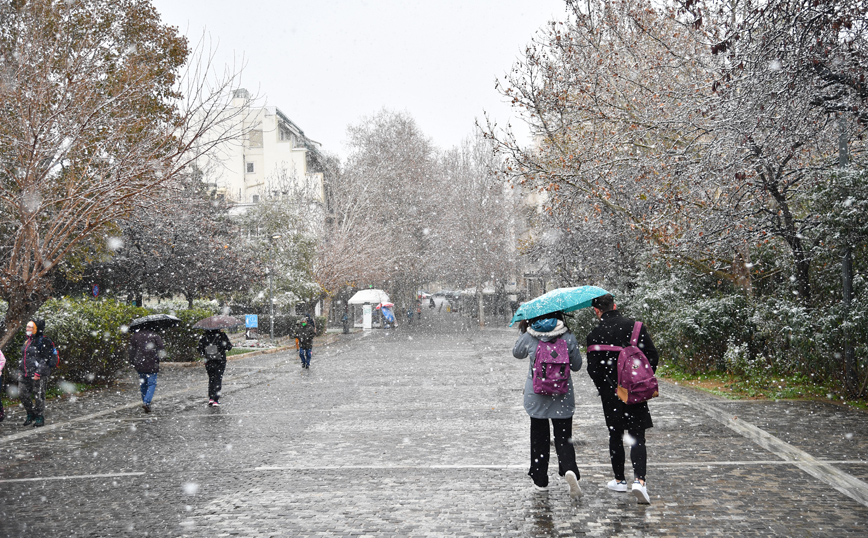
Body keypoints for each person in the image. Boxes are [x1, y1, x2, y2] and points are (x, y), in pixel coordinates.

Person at [586, 294, 659, 504]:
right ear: (615, 305)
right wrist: (638, 379)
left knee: (615, 435)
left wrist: (608, 388)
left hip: (611, 394)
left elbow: (593, 370)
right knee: (637, 436)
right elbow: (652, 356)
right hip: (635, 391)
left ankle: (619, 480)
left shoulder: (594, 335)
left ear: (596, 310)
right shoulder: (636, 327)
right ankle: (640, 481)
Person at [513, 312, 583, 497]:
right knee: (563, 436)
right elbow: (576, 365)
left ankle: (540, 478)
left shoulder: (530, 335)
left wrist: (524, 330)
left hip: (536, 395)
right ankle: (569, 469)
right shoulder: (567, 336)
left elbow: (517, 353)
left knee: (539, 437)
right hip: (562, 394)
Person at [19, 319, 55, 427]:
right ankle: (31, 413)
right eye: (27, 327)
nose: (27, 329)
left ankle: (39, 416)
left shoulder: (44, 341)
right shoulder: (27, 341)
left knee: (39, 396)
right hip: (25, 373)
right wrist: (21, 371)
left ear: (36, 329)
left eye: (30, 327)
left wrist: (38, 373)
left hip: (38, 375)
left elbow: (45, 359)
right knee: (22, 394)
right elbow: (24, 357)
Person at [128, 327, 165, 413]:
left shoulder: (135, 336)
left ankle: (145, 400)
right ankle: (146, 402)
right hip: (152, 362)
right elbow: (161, 347)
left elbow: (131, 351)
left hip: (139, 363)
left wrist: (132, 361)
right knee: (152, 383)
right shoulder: (154, 335)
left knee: (143, 383)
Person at [197, 329, 233, 406]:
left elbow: (199, 348)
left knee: (211, 378)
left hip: (209, 361)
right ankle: (216, 399)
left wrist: (206, 352)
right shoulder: (222, 335)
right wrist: (222, 346)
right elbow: (229, 347)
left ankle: (211, 398)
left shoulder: (204, 336)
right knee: (218, 378)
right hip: (220, 360)